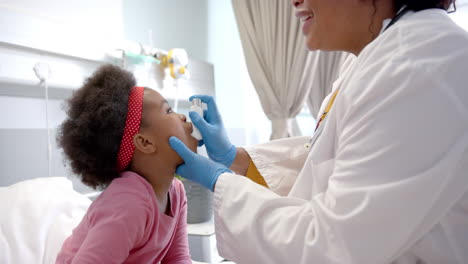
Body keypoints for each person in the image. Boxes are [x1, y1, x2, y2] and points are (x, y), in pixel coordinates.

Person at [168, 0, 468, 263]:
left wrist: (220, 181)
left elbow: (336, 245)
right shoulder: (377, 58)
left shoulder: (415, 64)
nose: (295, 1)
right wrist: (237, 159)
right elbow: (336, 159)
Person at [56, 64, 197, 263]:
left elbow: (176, 258)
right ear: (145, 142)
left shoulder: (176, 191)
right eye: (169, 110)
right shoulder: (128, 204)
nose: (181, 116)